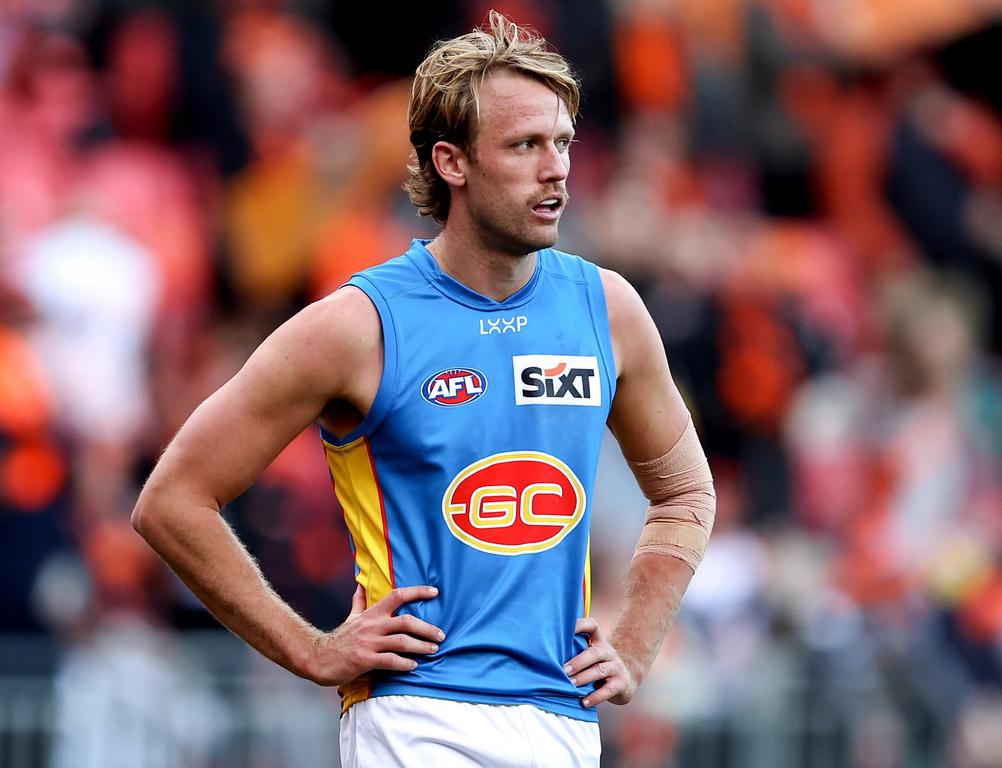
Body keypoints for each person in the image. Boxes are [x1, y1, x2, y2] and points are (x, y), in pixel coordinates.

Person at [132, 11, 716, 767]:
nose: (557, 168)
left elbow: (685, 495)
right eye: (525, 145)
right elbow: (172, 501)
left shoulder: (609, 310)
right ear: (452, 162)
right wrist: (310, 649)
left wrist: (635, 644)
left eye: (563, 143)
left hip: (564, 723)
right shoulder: (357, 325)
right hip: (417, 717)